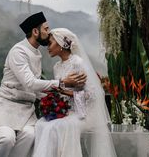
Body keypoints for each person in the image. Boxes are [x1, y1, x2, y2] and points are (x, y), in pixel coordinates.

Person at [0, 13, 86, 157]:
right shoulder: (18, 51)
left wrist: (59, 96)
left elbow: (36, 90)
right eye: (46, 29)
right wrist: (63, 83)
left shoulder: (37, 53)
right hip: (5, 104)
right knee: (5, 138)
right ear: (35, 32)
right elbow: (30, 83)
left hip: (27, 109)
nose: (49, 32)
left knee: (30, 136)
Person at [33, 28, 117, 157]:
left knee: (57, 126)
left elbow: (93, 95)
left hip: (84, 113)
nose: (48, 47)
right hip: (66, 111)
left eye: (50, 43)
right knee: (41, 124)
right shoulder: (57, 66)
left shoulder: (78, 63)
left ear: (61, 44)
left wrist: (67, 93)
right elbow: (60, 90)